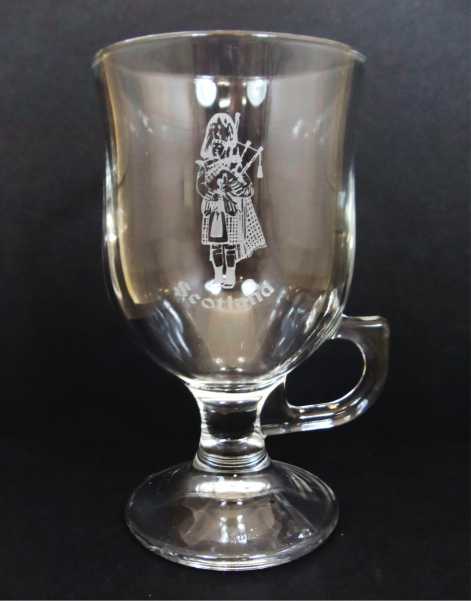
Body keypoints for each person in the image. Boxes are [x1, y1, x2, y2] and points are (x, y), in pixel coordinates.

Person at [196, 112, 266, 289]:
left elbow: (247, 190)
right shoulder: (206, 166)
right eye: (215, 143)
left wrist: (233, 178)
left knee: (229, 247)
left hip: (230, 212)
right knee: (215, 247)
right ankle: (218, 275)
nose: (218, 147)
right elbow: (201, 186)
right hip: (214, 212)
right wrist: (213, 187)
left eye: (222, 142)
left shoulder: (235, 166)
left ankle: (230, 275)